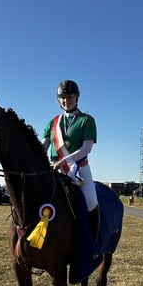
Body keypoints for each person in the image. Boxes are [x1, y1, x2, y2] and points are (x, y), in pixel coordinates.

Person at [41, 79, 100, 238]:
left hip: (79, 170)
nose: (66, 100)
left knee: (91, 202)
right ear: (59, 100)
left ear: (77, 98)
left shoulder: (86, 120)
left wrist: (64, 161)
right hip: (56, 170)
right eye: (63, 97)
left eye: (70, 96)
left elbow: (86, 148)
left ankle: (92, 242)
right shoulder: (52, 123)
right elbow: (42, 148)